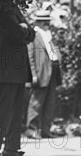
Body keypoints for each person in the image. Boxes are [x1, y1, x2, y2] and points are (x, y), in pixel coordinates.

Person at [0, 1, 36, 156]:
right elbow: (17, 33)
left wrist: (24, 29)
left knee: (17, 110)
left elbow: (31, 33)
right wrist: (24, 28)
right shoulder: (0, 8)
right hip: (8, 67)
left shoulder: (12, 8)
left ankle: (11, 148)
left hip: (18, 69)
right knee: (3, 111)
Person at [25, 10, 61, 139]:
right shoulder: (33, 35)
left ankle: (45, 129)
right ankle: (31, 129)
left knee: (50, 102)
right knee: (36, 102)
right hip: (41, 72)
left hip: (52, 70)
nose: (47, 23)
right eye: (44, 21)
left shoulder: (47, 35)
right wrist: (33, 74)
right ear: (38, 22)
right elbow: (30, 56)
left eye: (48, 21)